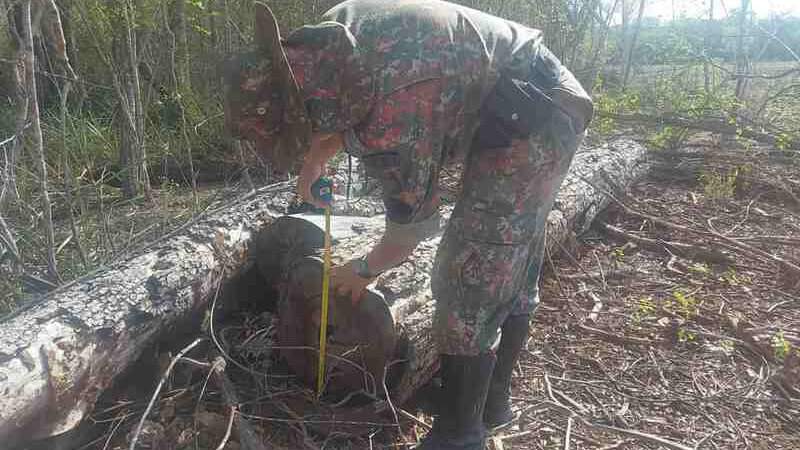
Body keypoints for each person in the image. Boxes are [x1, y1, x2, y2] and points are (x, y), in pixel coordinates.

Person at [223, 1, 593, 448]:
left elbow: (410, 229)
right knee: (502, 258)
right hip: (510, 94)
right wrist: (318, 154)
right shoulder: (326, 41)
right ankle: (489, 400)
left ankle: (461, 433)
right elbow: (358, 95)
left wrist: (362, 271)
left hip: (540, 111)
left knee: (473, 266)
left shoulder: (396, 117)